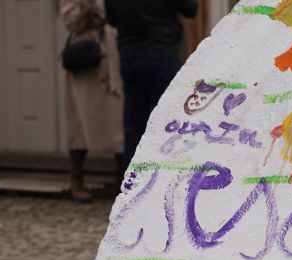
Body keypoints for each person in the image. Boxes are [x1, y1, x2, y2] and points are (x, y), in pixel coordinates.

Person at [105, 0, 199, 164]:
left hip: (130, 57)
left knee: (134, 126)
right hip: (162, 55)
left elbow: (112, 20)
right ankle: (165, 174)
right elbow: (190, 9)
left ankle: (131, 176)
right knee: (168, 123)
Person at [61, 0, 125, 202]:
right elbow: (72, 22)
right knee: (79, 120)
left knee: (119, 119)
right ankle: (76, 179)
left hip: (114, 54)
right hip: (86, 56)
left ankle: (122, 178)